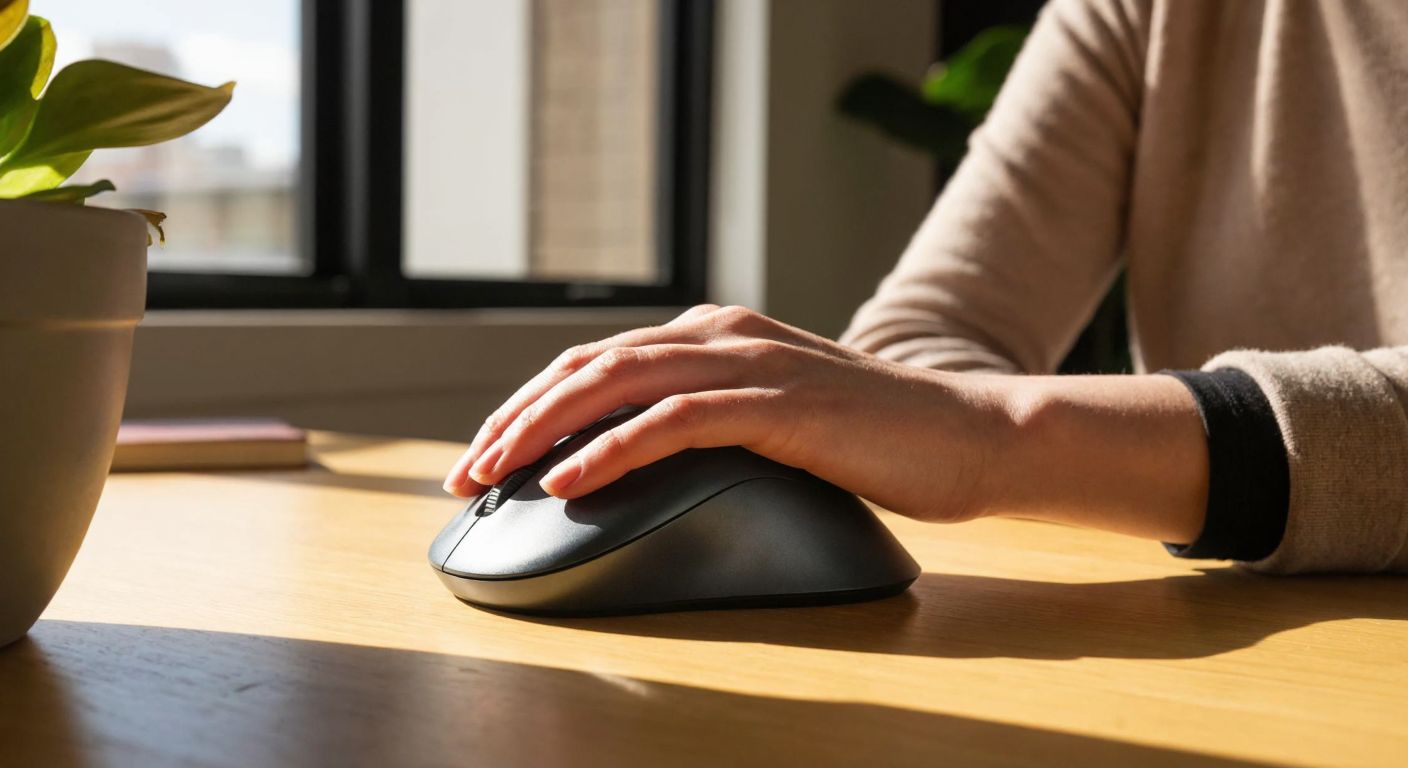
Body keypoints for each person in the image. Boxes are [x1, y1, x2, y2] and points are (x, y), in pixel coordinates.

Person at [444, 0, 1408, 575]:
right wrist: (953, 419)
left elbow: (968, 414)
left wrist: (1004, 432)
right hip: (1212, 658)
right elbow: (927, 331)